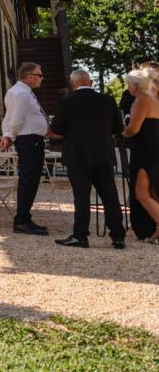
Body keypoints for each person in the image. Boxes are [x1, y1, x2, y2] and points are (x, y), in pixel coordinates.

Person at [50, 69, 124, 249]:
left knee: (81, 197)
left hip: (77, 156)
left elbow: (57, 130)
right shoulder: (107, 100)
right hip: (103, 154)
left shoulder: (66, 102)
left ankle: (80, 236)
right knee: (110, 196)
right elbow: (117, 127)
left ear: (73, 84)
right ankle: (118, 237)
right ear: (90, 82)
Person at [0, 62, 51, 235]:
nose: (42, 78)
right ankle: (22, 220)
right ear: (29, 77)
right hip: (29, 141)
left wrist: (7, 134)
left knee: (29, 179)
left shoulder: (17, 92)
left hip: (29, 140)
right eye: (39, 75)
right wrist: (10, 135)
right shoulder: (21, 94)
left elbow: (8, 118)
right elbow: (15, 119)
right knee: (29, 180)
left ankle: (24, 217)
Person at [122, 67, 159, 243]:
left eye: (128, 84)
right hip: (154, 149)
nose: (128, 87)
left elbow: (132, 130)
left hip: (145, 151)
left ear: (135, 85)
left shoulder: (142, 100)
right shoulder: (154, 100)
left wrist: (119, 128)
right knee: (151, 192)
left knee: (141, 193)